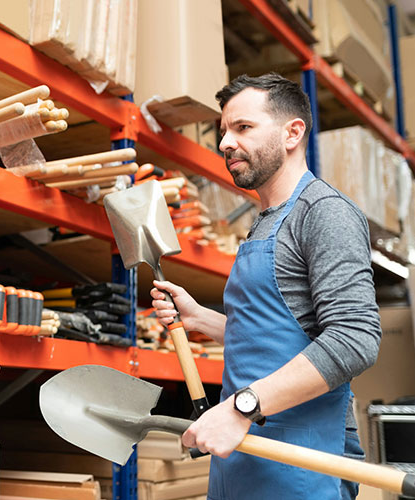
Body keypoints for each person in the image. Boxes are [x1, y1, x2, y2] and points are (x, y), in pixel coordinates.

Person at [151, 73, 381, 499]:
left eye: (243, 128)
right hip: (242, 460)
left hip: (299, 463)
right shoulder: (263, 222)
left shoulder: (324, 213)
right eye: (223, 132)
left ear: (293, 132)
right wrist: (200, 318)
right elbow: (276, 332)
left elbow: (355, 338)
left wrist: (242, 407)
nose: (224, 143)